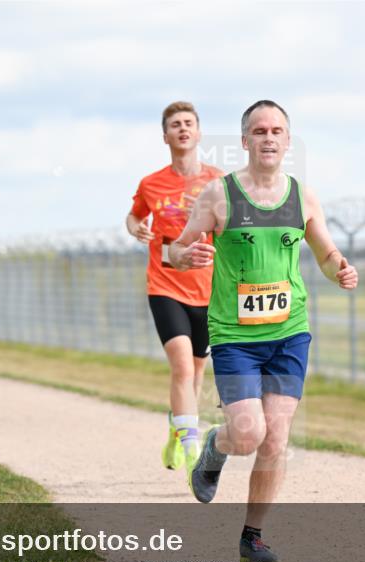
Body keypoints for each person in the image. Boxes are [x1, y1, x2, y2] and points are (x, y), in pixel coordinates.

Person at [170, 100, 358, 562]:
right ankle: (215, 446)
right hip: (235, 334)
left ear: (287, 141)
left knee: (276, 436)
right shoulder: (219, 195)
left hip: (290, 331)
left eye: (277, 130)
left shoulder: (304, 197)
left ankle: (252, 537)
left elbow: (326, 254)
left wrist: (340, 271)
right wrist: (186, 257)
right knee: (248, 433)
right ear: (245, 141)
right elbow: (174, 251)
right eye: (259, 131)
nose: (268, 138)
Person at [126, 101, 224, 470]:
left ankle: (176, 428)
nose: (182, 129)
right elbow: (134, 216)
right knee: (182, 367)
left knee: (196, 373)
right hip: (165, 285)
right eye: (175, 124)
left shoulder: (219, 181)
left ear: (198, 132)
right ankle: (192, 450)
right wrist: (136, 227)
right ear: (165, 135)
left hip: (207, 289)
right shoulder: (151, 183)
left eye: (189, 123)